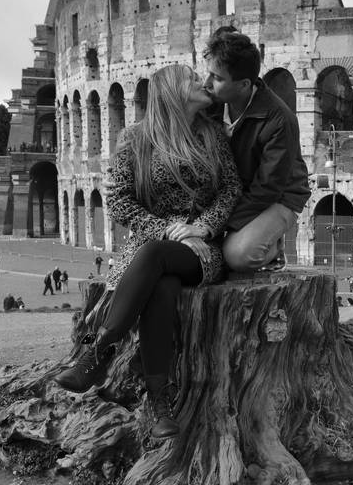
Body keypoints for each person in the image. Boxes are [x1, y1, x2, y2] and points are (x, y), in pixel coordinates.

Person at [52, 64, 241, 441]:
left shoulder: (212, 134)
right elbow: (118, 201)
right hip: (151, 246)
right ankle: (159, 405)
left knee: (160, 258)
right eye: (192, 79)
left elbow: (231, 189)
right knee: (162, 286)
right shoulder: (135, 138)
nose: (203, 81)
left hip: (200, 249)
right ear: (172, 91)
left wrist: (201, 227)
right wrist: (167, 230)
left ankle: (99, 351)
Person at [202, 27, 311, 273]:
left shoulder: (279, 119)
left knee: (238, 255)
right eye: (208, 74)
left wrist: (215, 224)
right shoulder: (212, 105)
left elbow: (268, 188)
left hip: (280, 197)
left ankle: (273, 250)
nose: (207, 83)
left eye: (217, 78)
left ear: (243, 84)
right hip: (234, 196)